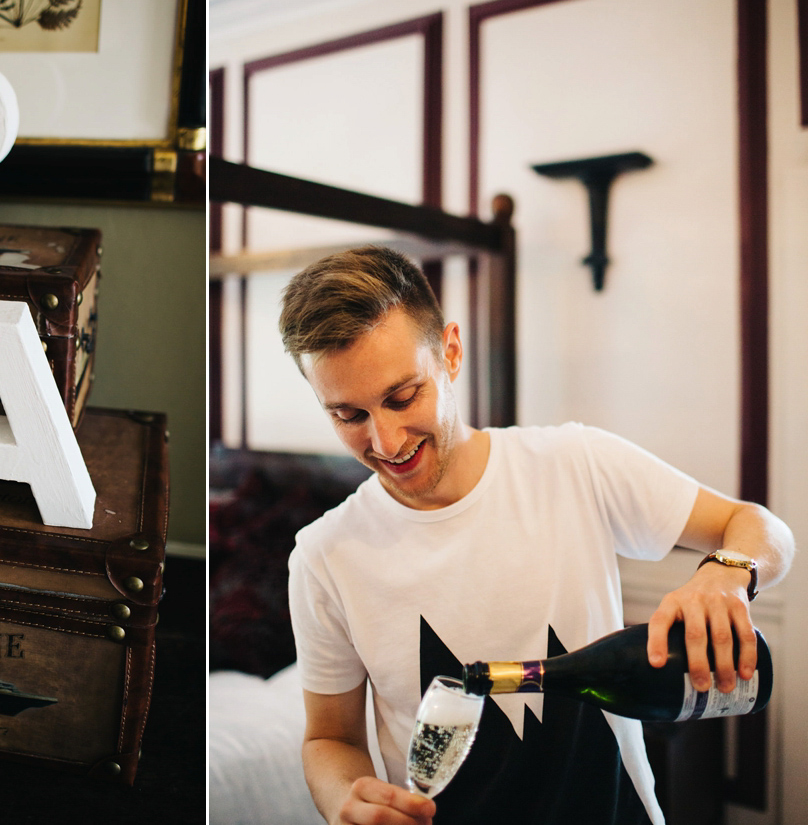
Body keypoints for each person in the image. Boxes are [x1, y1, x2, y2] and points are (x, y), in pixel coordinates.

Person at [280, 245, 795, 825]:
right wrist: (341, 796)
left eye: (403, 397)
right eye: (349, 416)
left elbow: (761, 527)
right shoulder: (324, 556)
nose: (388, 440)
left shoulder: (574, 462)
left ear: (450, 352)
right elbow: (329, 739)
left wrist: (726, 575)